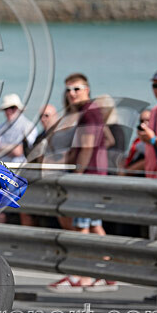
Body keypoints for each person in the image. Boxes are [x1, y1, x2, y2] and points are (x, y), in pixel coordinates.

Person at [47, 73, 116, 293]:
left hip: (87, 177)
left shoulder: (87, 114)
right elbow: (109, 139)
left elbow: (86, 148)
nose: (71, 94)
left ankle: (82, 275)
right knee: (94, 224)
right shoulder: (94, 111)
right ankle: (107, 273)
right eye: (68, 90)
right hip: (98, 175)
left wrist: (77, 172)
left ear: (87, 89)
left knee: (81, 226)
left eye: (77, 89)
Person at [0, 93, 36, 164]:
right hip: (5, 168)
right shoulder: (2, 127)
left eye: (12, 107)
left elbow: (19, 151)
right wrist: (11, 148)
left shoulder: (28, 126)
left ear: (19, 109)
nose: (9, 111)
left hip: (21, 168)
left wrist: (1, 147)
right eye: (6, 109)